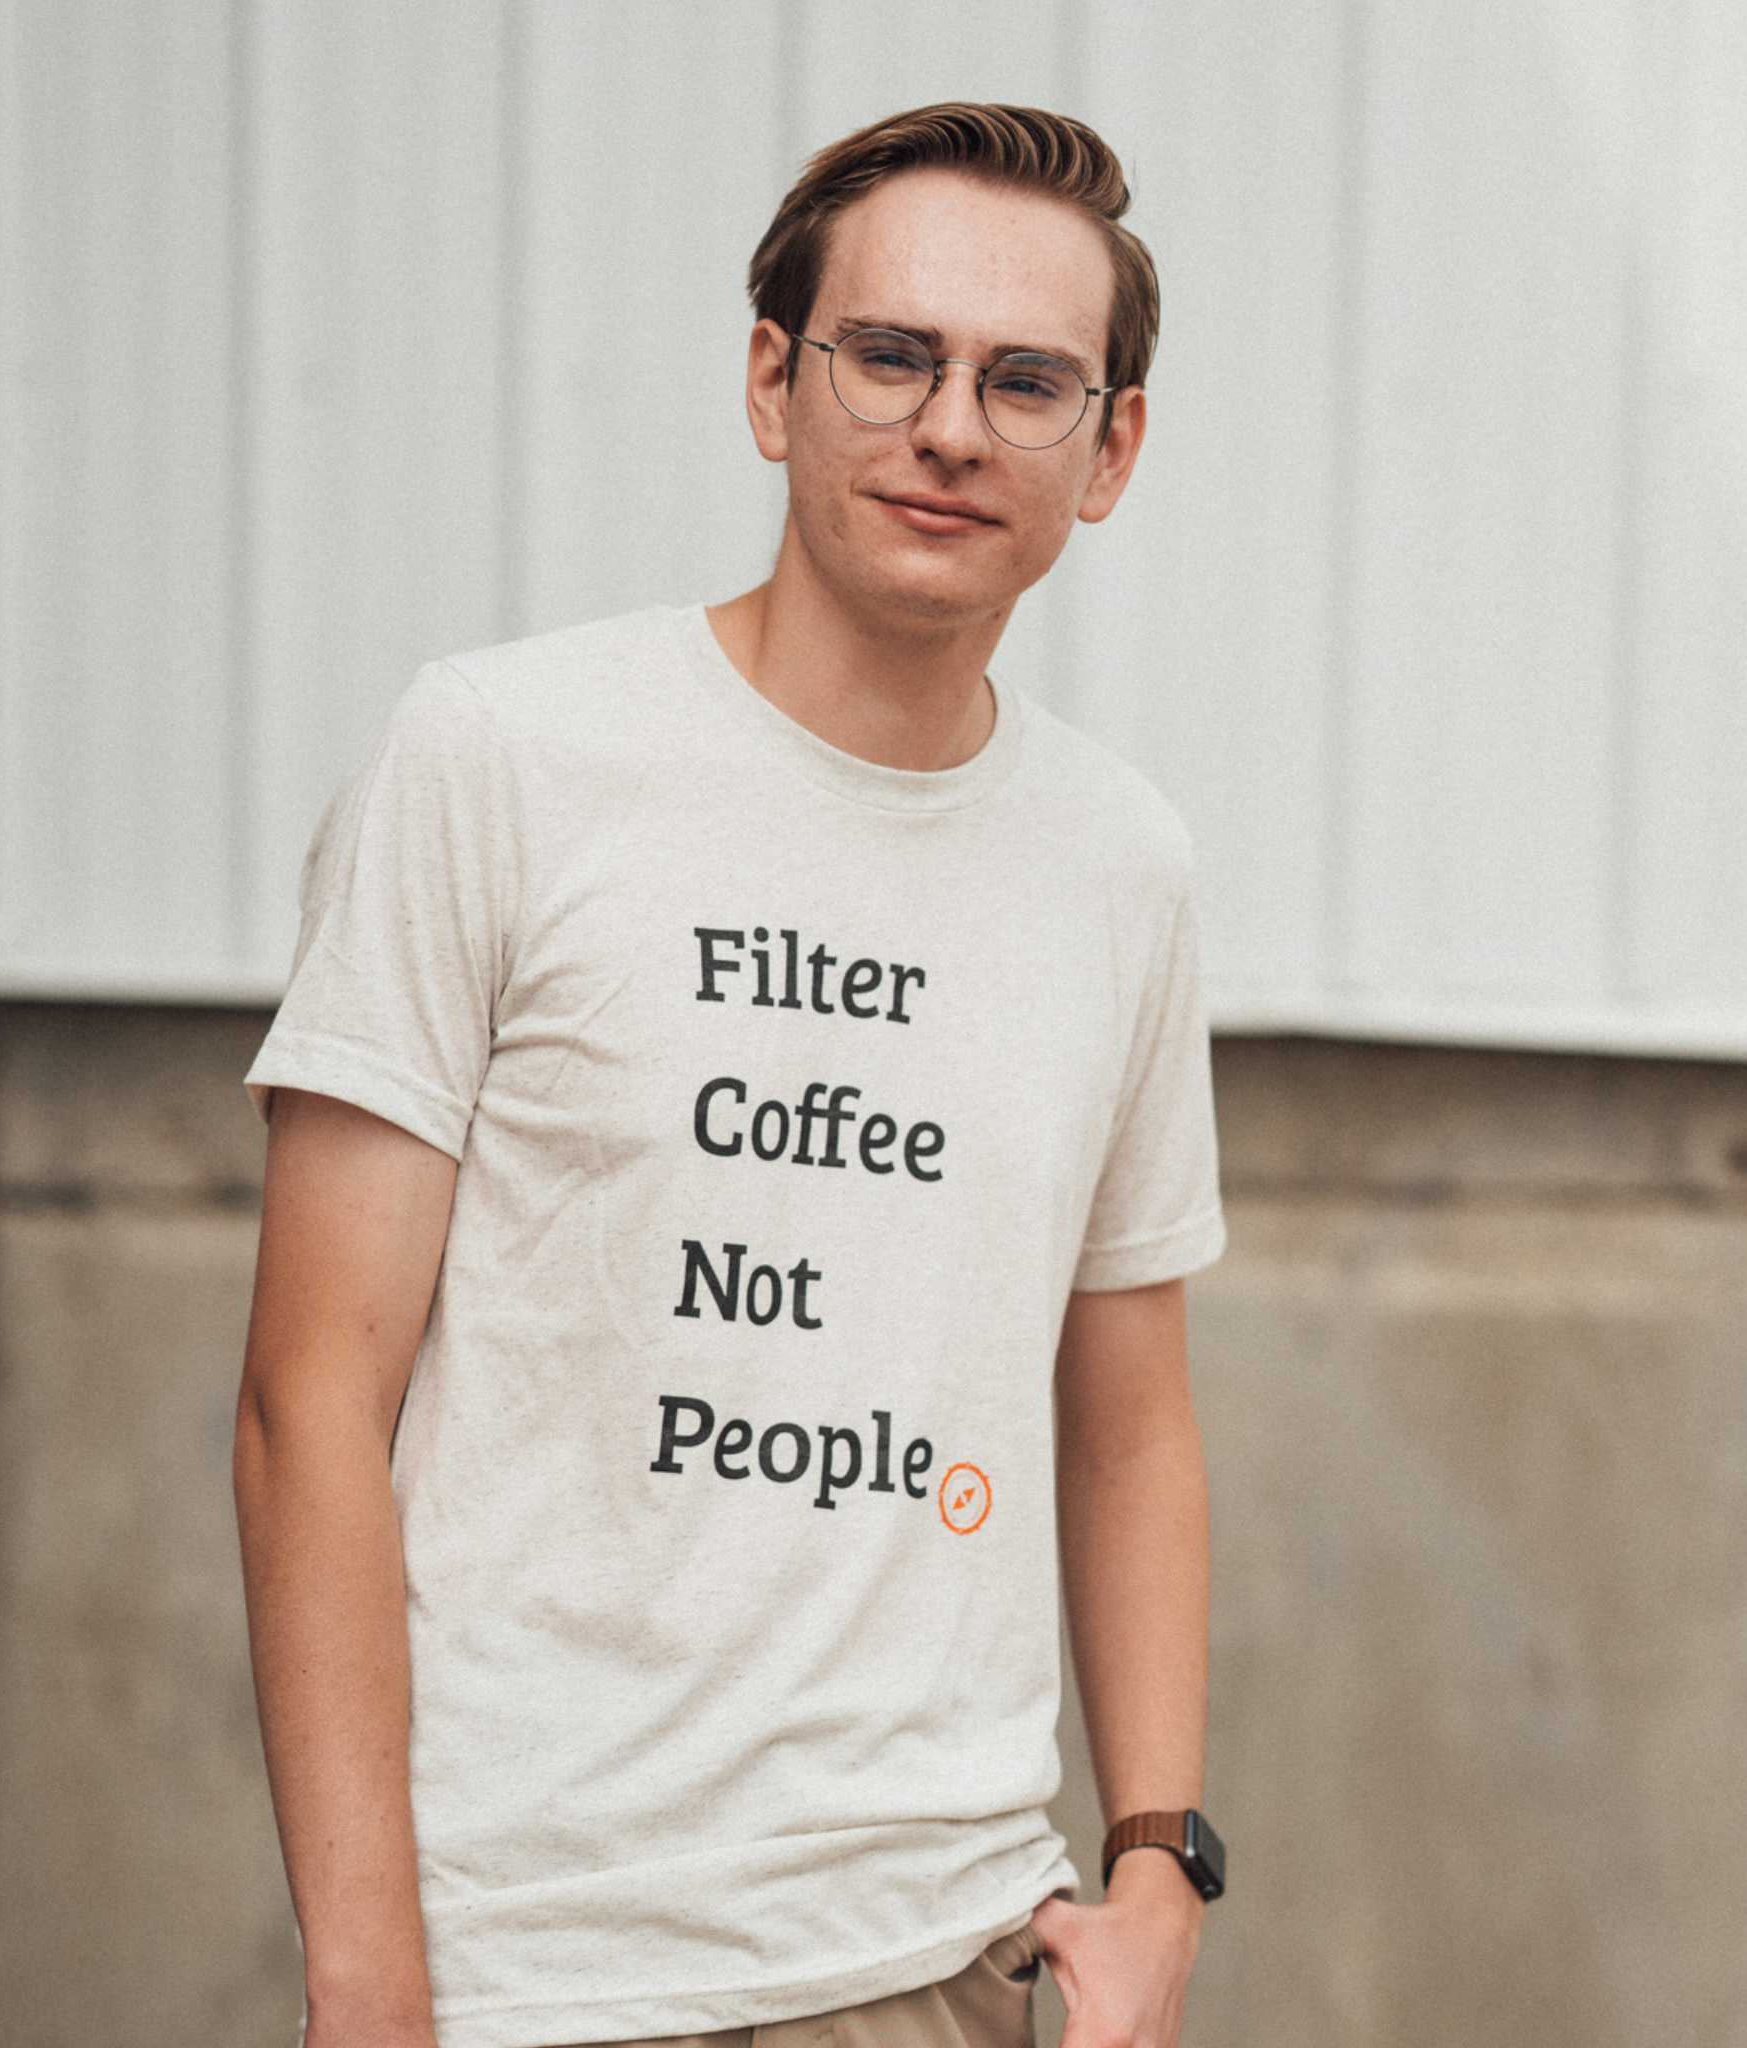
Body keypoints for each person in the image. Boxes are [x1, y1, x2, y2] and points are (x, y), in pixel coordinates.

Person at [234, 101, 1226, 2048]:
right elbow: (303, 1405)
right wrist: (369, 1986)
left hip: (928, 1958)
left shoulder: (1121, 864)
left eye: (1028, 381)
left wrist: (1152, 1865)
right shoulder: (501, 758)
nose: (952, 426)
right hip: (539, 1957)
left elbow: (1131, 1424)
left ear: (1107, 449)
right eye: (893, 354)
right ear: (775, 380)